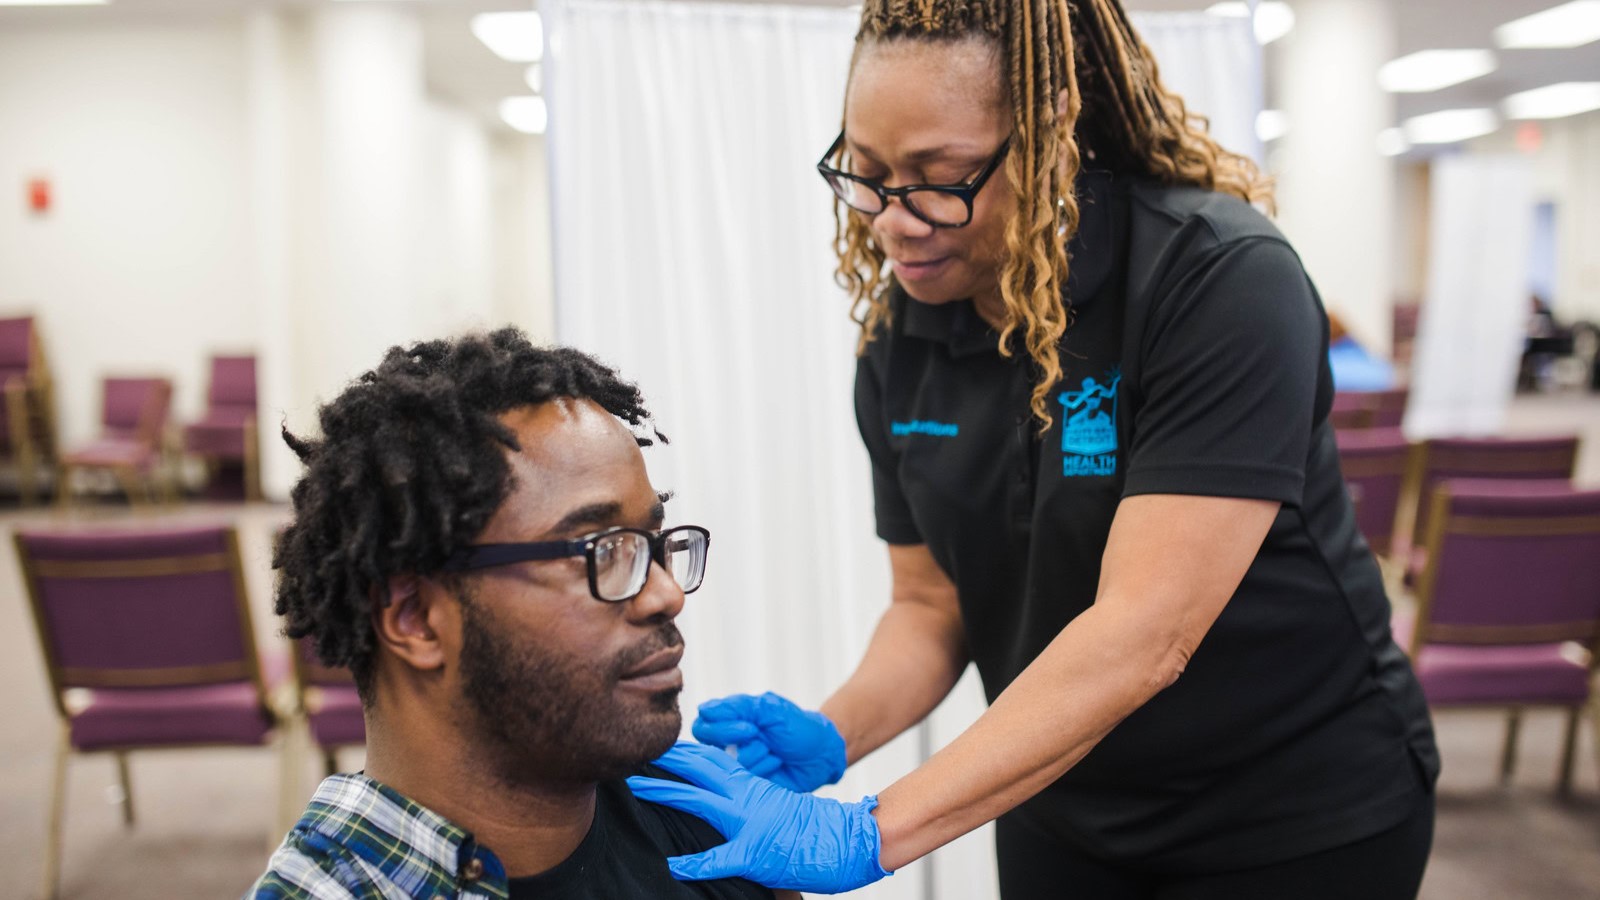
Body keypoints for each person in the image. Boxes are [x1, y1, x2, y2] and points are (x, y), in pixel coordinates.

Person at [628, 0, 1439, 897]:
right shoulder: (904, 336)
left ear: (1050, 134)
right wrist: (836, 733)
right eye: (868, 173)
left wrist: (871, 832)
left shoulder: (1217, 277)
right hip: (1063, 799)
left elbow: (1145, 633)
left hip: (1293, 813)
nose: (893, 220)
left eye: (940, 178)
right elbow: (931, 604)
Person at [249, 328, 790, 900]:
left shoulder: (715, 826)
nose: (666, 596)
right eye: (603, 551)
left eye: (652, 545)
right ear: (417, 619)